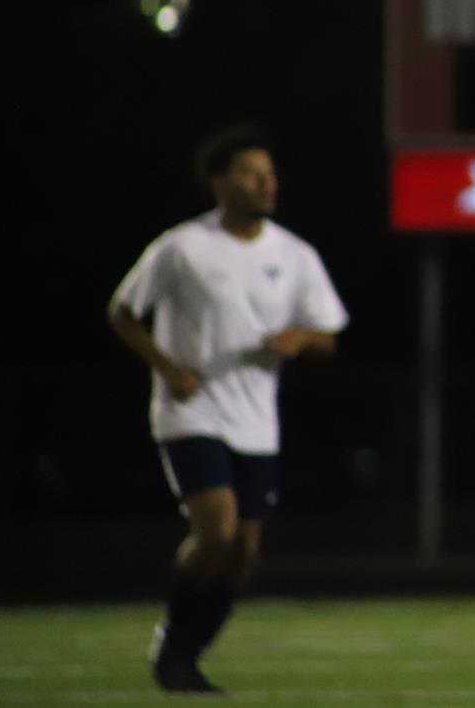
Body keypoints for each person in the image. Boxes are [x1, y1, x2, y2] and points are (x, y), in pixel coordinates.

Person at [107, 126, 349, 695]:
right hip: (190, 411)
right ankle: (172, 647)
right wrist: (167, 367)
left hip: (256, 420)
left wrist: (299, 339)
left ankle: (189, 651)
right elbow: (122, 311)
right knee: (216, 529)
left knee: (244, 550)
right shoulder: (182, 247)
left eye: (270, 173)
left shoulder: (294, 254)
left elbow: (328, 333)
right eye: (251, 173)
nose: (267, 183)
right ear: (220, 182)